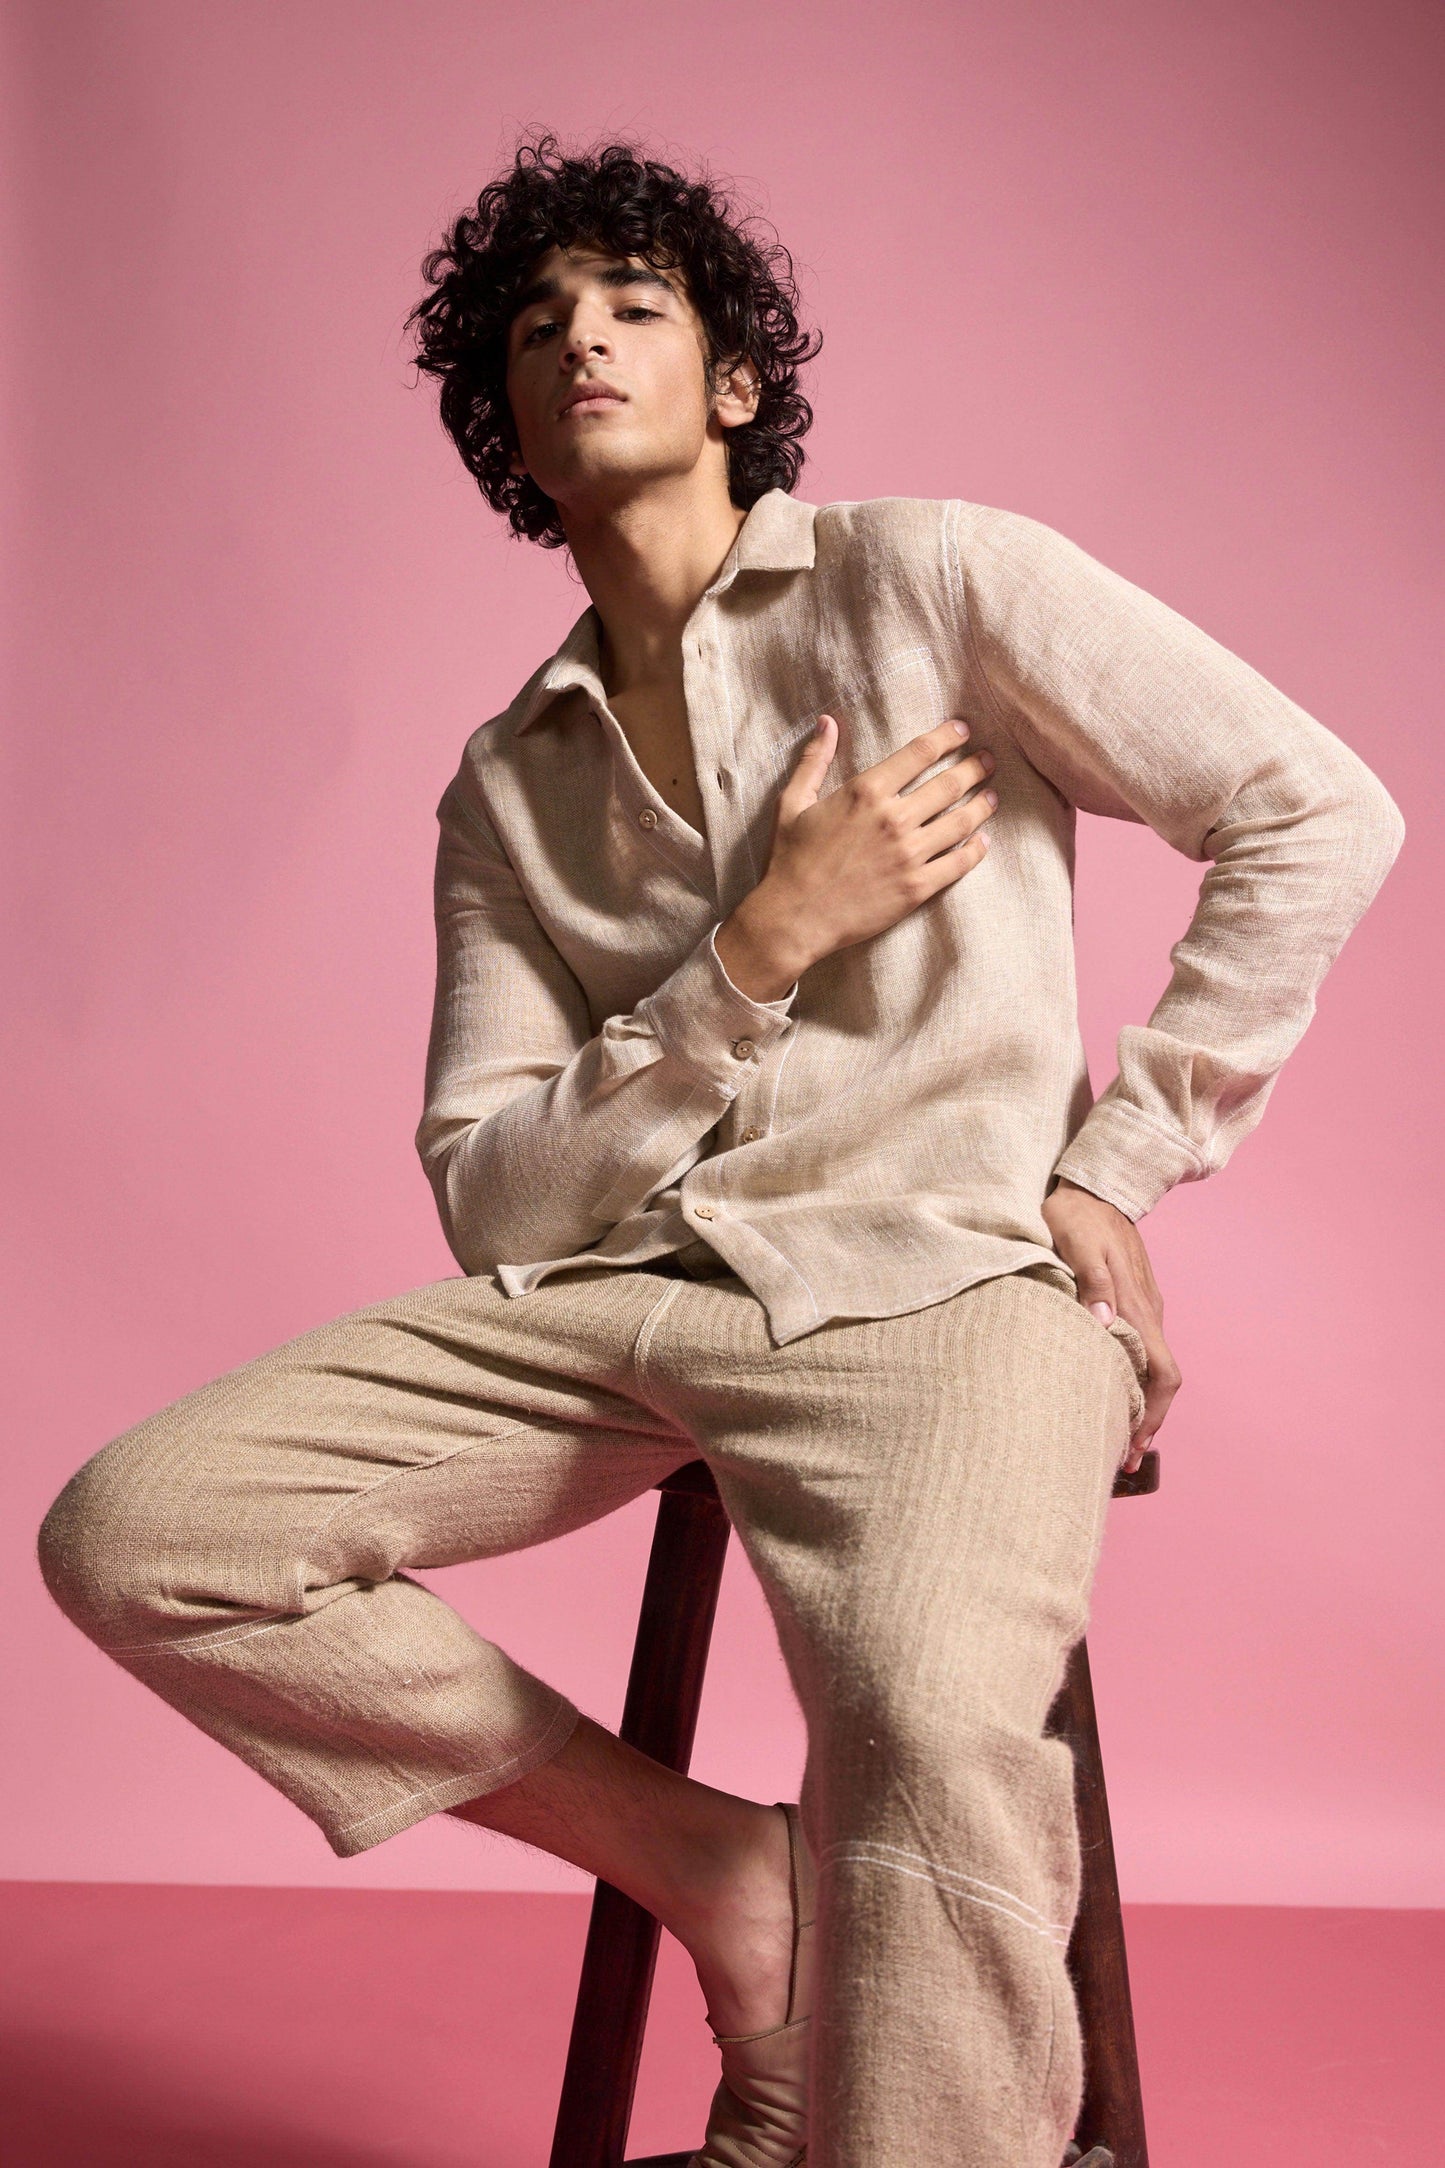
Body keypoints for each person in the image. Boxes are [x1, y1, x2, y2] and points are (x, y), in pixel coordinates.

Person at [37, 135, 1404, 2168]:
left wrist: (1120, 1161)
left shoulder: (932, 577)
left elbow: (1317, 810)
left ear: (734, 380)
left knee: (927, 1725)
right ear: (507, 431)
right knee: (148, 1530)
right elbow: (496, 1198)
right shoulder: (508, 783)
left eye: (632, 305)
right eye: (534, 328)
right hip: (637, 1303)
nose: (579, 340)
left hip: (948, 1286)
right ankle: (719, 1870)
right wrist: (757, 947)